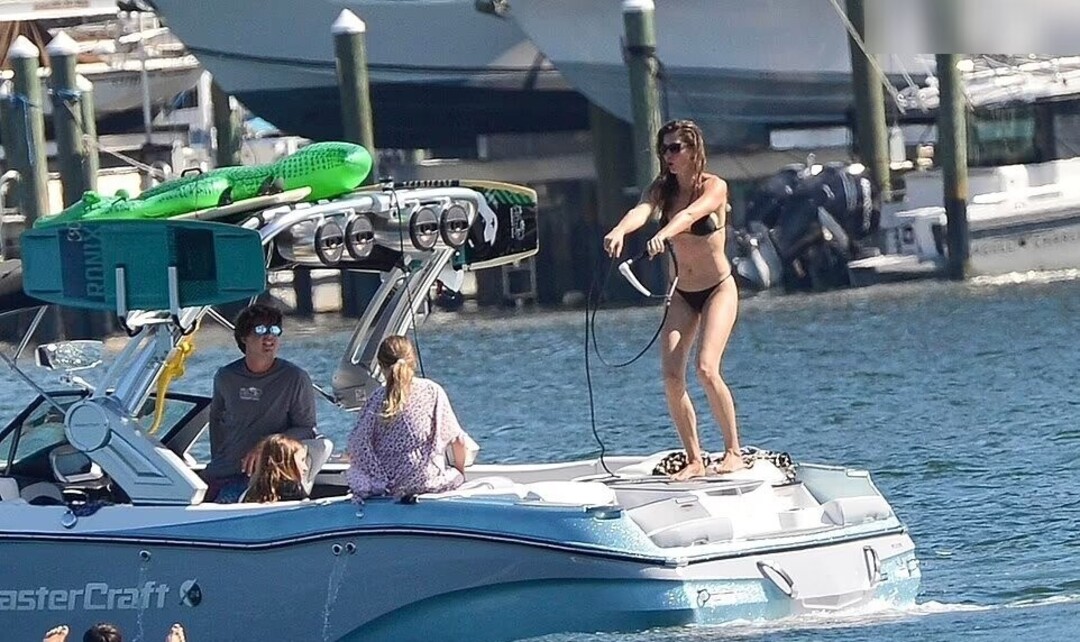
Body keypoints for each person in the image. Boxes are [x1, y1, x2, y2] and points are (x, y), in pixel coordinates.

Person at [602, 119, 745, 480]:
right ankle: (695, 459)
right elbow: (641, 210)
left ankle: (733, 452)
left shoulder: (714, 186)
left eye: (675, 148)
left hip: (718, 289)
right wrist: (620, 230)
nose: (668, 155)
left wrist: (664, 234)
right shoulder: (661, 189)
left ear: (693, 150)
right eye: (663, 149)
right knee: (670, 376)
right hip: (682, 293)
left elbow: (691, 214)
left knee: (706, 369)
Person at [203, 303, 317, 502]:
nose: (269, 337)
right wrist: (218, 460)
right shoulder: (225, 377)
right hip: (222, 472)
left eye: (275, 330)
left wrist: (265, 445)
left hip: (263, 477)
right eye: (261, 330)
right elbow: (216, 423)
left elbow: (307, 429)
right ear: (244, 337)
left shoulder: (295, 378)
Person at [346, 335, 471, 498]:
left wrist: (379, 475)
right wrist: (460, 473)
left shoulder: (376, 398)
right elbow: (459, 442)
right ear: (413, 361)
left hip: (384, 487)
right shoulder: (432, 391)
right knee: (455, 475)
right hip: (424, 484)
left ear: (381, 366)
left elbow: (356, 446)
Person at [243, 434, 310, 503]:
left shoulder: (252, 491)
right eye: (302, 460)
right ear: (287, 462)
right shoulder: (294, 489)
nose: (306, 468)